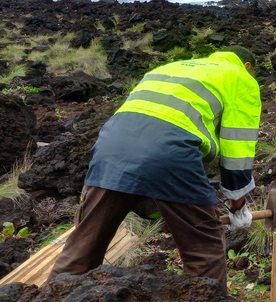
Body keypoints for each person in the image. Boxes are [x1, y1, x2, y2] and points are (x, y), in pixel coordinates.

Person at [48, 47, 261, 289]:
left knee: (83, 247)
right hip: (169, 150)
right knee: (204, 249)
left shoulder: (173, 67)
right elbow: (237, 148)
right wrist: (237, 205)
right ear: (247, 66)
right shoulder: (240, 77)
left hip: (111, 146)